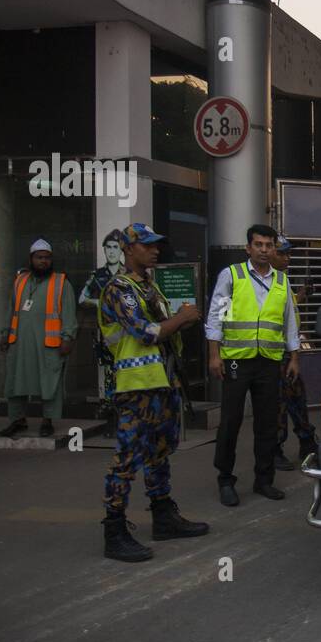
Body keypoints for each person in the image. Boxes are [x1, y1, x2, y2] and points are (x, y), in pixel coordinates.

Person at [99, 223, 208, 562]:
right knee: (127, 456)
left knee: (160, 451)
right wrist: (182, 317)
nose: (155, 250)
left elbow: (163, 330)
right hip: (136, 387)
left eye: (156, 244)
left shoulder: (148, 286)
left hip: (160, 383)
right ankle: (114, 530)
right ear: (129, 249)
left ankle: (162, 515)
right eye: (147, 245)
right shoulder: (119, 289)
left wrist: (179, 321)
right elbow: (146, 333)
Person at [206, 224, 300, 505]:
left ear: (274, 249)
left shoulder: (282, 282)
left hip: (269, 363)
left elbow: (290, 323)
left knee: (267, 424)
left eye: (268, 245)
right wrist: (214, 354)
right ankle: (225, 479)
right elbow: (216, 315)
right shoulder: (232, 276)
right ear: (248, 248)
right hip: (236, 361)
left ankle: (264, 479)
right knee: (231, 421)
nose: (263, 249)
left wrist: (294, 357)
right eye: (258, 244)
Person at [0, 239, 77, 438]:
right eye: (39, 258)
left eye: (47, 258)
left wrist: (67, 338)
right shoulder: (20, 281)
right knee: (15, 382)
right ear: (31, 259)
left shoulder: (61, 283)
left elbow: (69, 314)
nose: (43, 261)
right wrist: (5, 334)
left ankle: (47, 421)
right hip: (20, 343)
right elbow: (11, 310)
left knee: (50, 382)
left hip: (48, 345)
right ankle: (17, 420)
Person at [270, 235, 317, 471]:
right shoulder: (265, 283)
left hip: (288, 353)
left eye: (288, 254)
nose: (287, 258)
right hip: (273, 355)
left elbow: (289, 311)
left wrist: (301, 295)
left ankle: (307, 443)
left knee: (297, 399)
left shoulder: (282, 281)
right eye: (282, 254)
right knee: (277, 405)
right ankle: (275, 450)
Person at [79, 230, 126, 422]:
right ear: (104, 250)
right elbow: (82, 298)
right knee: (108, 371)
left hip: (127, 332)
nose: (112, 251)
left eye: (116, 247)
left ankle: (123, 406)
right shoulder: (98, 275)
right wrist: (99, 302)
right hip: (106, 332)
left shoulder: (128, 273)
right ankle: (109, 407)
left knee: (125, 369)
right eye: (108, 247)